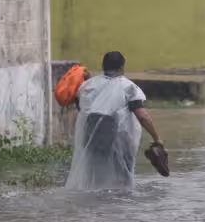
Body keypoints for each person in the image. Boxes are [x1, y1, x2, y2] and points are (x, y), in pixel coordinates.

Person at [65, 51, 163, 190]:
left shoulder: (88, 85)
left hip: (92, 139)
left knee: (96, 175)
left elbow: (82, 107)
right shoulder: (128, 87)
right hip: (119, 139)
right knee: (123, 176)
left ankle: (97, 204)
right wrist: (156, 138)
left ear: (103, 66)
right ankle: (119, 204)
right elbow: (142, 115)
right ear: (122, 67)